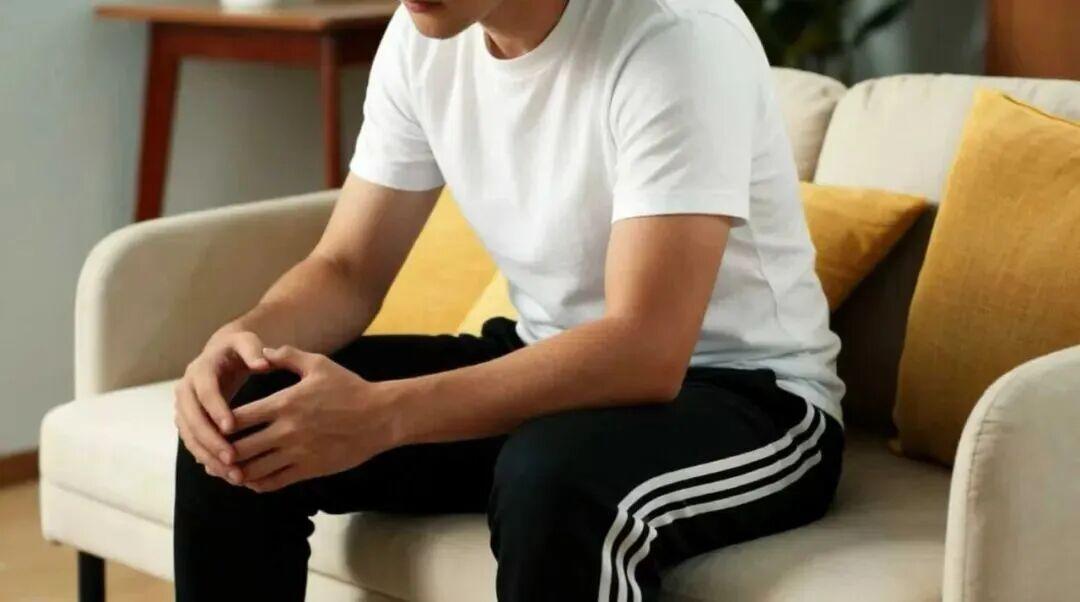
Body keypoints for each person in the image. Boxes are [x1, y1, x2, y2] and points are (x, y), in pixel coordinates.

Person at [172, 0, 846, 600]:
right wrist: (239, 343)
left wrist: (385, 415)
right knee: (242, 418)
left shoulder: (677, 37)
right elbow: (347, 269)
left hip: (747, 396)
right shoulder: (421, 39)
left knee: (555, 480)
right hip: (550, 363)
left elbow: (646, 349)